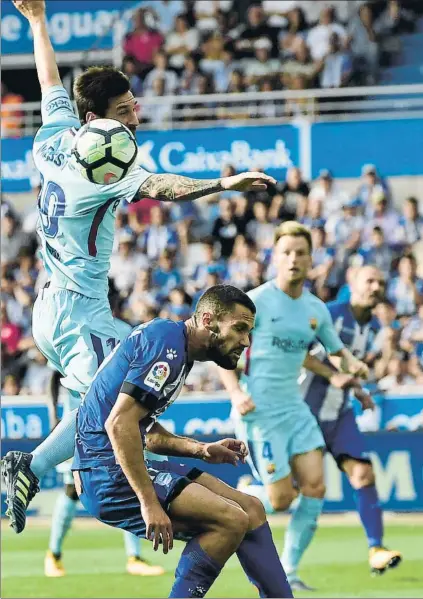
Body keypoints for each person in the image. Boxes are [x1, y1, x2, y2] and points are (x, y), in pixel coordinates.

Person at [2, 0, 276, 537]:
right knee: (126, 397)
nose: (135, 116)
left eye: (132, 106)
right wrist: (221, 184)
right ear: (95, 123)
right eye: (124, 111)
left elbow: (48, 81)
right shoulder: (103, 169)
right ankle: (82, 480)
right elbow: (162, 188)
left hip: (54, 306)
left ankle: (43, 467)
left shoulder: (54, 141)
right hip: (80, 313)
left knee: (99, 400)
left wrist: (37, 22)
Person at [72, 284, 293, 598]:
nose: (245, 341)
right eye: (239, 329)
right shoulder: (167, 348)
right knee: (230, 521)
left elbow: (146, 434)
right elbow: (119, 424)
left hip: (118, 464)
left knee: (252, 509)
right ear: (207, 320)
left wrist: (201, 450)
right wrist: (149, 503)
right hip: (106, 474)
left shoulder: (175, 347)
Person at [219, 221, 369, 591]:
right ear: (274, 257)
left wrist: (354, 367)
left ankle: (290, 570)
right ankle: (234, 496)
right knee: (281, 500)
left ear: (310, 258)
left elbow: (338, 353)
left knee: (316, 487)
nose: (293, 259)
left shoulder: (316, 309)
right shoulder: (255, 302)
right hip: (260, 414)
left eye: (300, 252)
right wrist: (236, 394)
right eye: (286, 252)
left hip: (295, 410)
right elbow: (223, 354)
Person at [44, 292, 164, 578]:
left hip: (116, 422)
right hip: (79, 422)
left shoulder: (126, 332)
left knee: (129, 478)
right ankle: (54, 553)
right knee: (73, 490)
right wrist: (54, 417)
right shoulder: (72, 328)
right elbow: (53, 376)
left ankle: (134, 556)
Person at [302, 266, 402, 574]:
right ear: (352, 282)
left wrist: (360, 391)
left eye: (381, 282)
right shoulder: (330, 313)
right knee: (291, 492)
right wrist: (333, 376)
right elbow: (298, 354)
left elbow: (355, 368)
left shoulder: (372, 325)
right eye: (370, 280)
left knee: (363, 474)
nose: (376, 287)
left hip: (341, 413)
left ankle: (376, 548)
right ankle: (250, 490)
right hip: (304, 412)